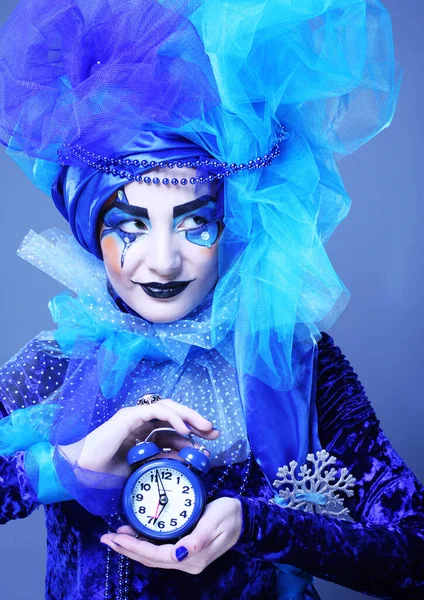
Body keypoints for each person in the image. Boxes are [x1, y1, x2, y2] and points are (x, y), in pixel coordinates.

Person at [0, 0, 423, 599]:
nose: (165, 259)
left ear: (234, 221)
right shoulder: (59, 360)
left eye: (195, 223)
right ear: (92, 226)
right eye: (132, 224)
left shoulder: (294, 363)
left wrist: (260, 526)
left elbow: (413, 551)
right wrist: (65, 468)